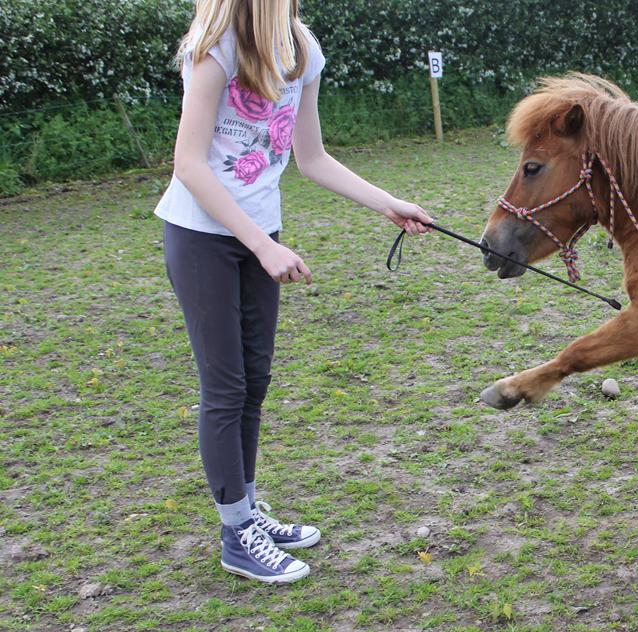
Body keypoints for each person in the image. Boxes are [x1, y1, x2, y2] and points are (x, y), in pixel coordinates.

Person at [154, 0, 431, 584]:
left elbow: (312, 157)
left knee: (254, 380)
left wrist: (389, 203)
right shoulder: (216, 47)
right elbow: (188, 163)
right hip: (201, 235)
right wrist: (262, 245)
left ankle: (246, 511)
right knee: (225, 388)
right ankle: (236, 534)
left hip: (260, 236)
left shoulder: (302, 48)